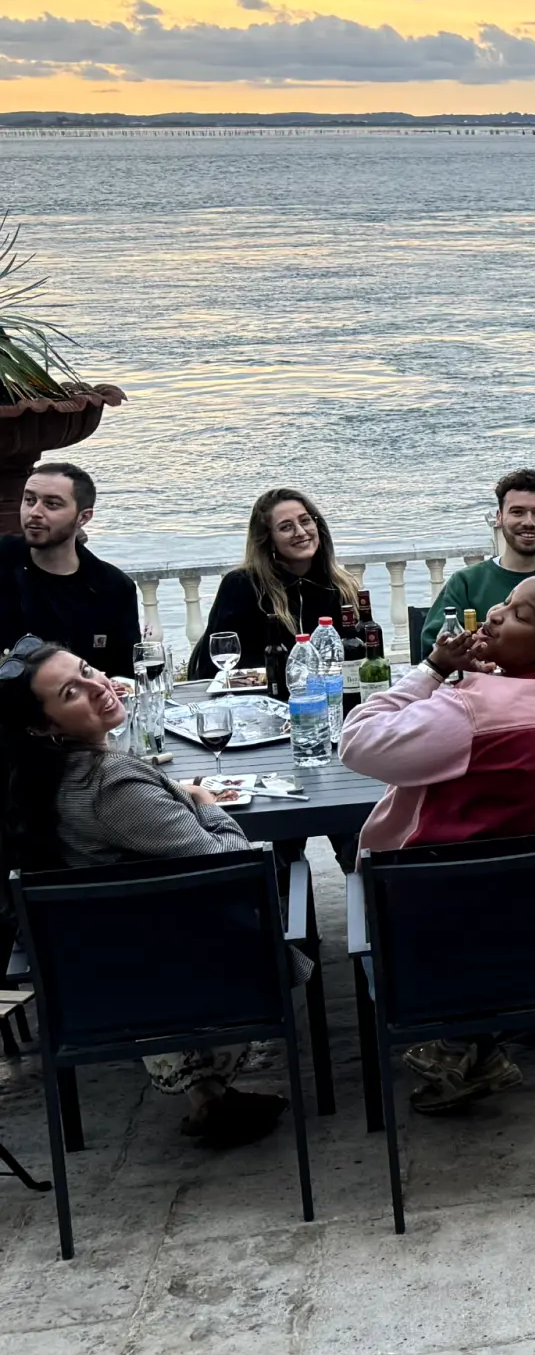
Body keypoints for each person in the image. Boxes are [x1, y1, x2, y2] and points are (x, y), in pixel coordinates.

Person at [339, 553, 535, 1113]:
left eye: (520, 615)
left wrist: (430, 670)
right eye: (505, 601)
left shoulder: (469, 712)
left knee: (369, 898)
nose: (496, 615)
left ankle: (455, 1040)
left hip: (438, 950)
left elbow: (356, 742)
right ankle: (473, 1046)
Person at [0, 635, 286, 1147]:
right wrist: (201, 801)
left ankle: (209, 1098)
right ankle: (211, 1090)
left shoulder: (38, 782)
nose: (97, 686)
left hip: (95, 975)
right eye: (71, 693)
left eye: (87, 670)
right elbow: (232, 863)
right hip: (177, 976)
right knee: (281, 872)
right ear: (43, 727)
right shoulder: (111, 788)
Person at [188, 488, 369, 679]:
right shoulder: (242, 585)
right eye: (286, 527)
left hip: (333, 698)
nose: (300, 532)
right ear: (269, 540)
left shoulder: (340, 585)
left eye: (305, 520)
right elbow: (212, 666)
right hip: (259, 699)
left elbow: (366, 655)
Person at [0, 463, 141, 679]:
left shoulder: (113, 587)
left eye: (52, 504)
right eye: (29, 500)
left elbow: (124, 677)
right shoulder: (4, 561)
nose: (35, 512)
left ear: (83, 517)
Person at [417, 468, 535, 644]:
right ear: (499, 517)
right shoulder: (466, 583)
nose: (528, 522)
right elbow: (433, 648)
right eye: (517, 512)